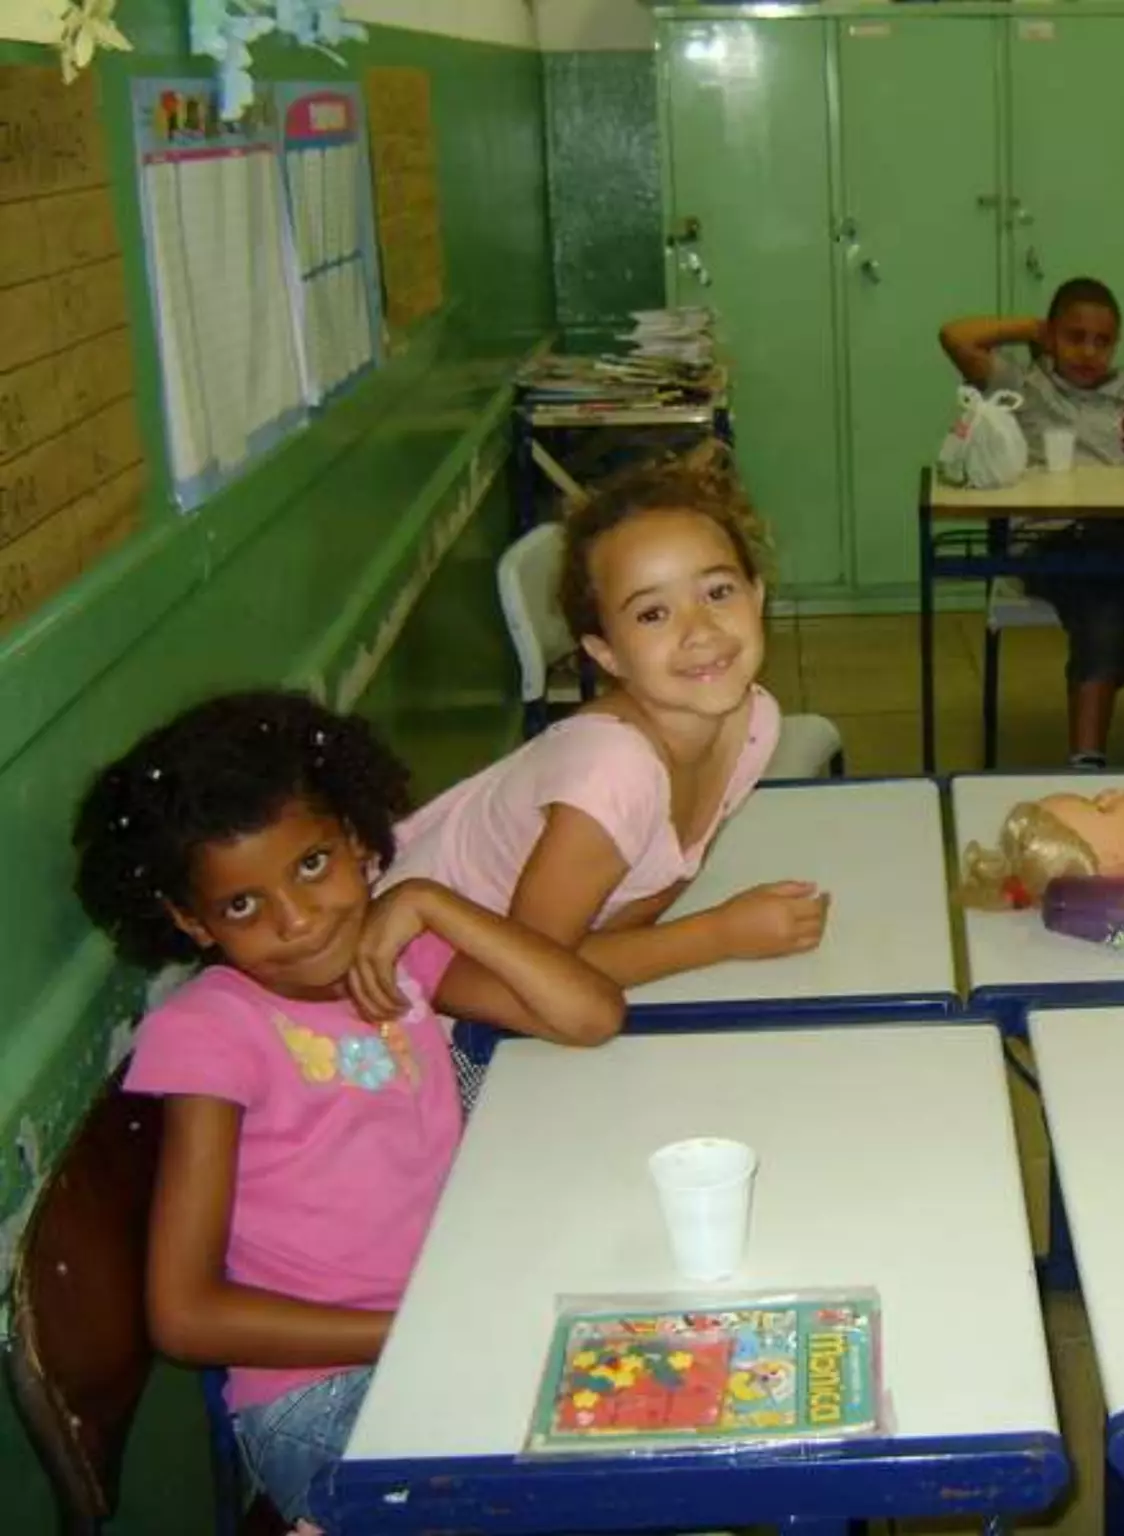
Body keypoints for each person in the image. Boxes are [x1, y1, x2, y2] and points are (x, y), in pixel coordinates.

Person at [73, 692, 623, 1528]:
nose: (297, 920)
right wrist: (413, 1327)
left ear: (361, 843)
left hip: (443, 1329)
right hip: (325, 1394)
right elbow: (185, 1318)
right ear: (192, 921)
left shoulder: (398, 959)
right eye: (242, 906)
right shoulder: (210, 1033)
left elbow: (590, 1015)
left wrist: (432, 903)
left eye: (312, 864)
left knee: (646, 1424)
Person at [380, 444, 825, 1102]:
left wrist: (672, 941)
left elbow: (645, 894)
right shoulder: (612, 773)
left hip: (518, 973)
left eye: (717, 591)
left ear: (756, 596)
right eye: (652, 613)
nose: (700, 630)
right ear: (605, 653)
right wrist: (721, 934)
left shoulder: (750, 719)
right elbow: (536, 973)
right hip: (420, 997)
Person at [940, 277, 1124, 769]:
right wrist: (1033, 328)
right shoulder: (1021, 386)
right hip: (1054, 540)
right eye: (1074, 337)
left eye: (1103, 341)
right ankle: (1086, 760)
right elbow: (956, 336)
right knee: (1102, 594)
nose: (1089, 352)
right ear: (1052, 336)